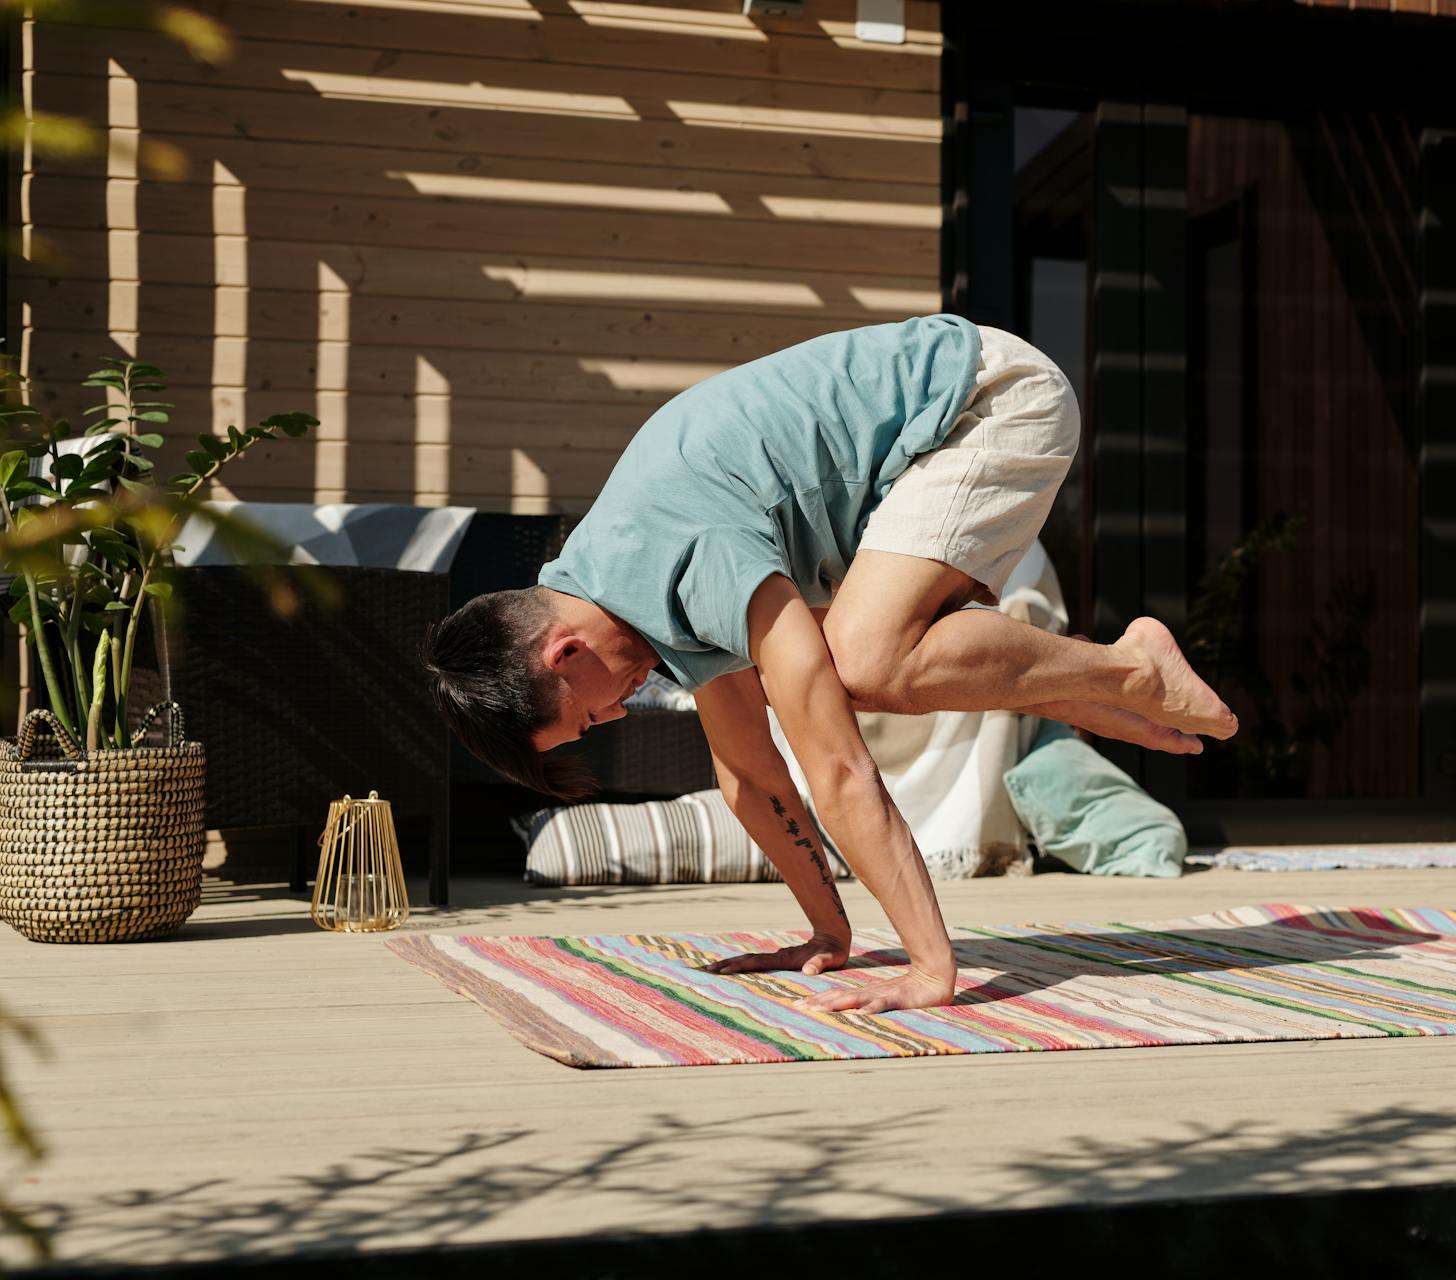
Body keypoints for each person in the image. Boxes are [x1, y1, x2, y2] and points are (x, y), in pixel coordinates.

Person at [423, 315, 1237, 1013]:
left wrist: (929, 968)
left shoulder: (680, 557)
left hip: (986, 398)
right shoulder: (629, 587)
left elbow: (839, 767)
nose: (613, 717)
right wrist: (827, 932)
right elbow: (751, 775)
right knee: (850, 663)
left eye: (587, 716)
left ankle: (1125, 670)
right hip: (923, 442)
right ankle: (1091, 682)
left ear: (565, 654)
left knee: (862, 663)